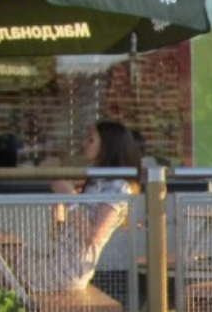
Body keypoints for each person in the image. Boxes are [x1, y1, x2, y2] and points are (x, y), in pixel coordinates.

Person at [21, 120, 142, 292]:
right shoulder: (95, 182)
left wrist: (70, 198)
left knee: (0, 261)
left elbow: (95, 236)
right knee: (0, 255)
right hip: (57, 260)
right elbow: (57, 233)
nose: (84, 143)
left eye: (91, 139)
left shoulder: (119, 187)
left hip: (71, 270)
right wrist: (61, 201)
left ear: (108, 146)